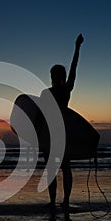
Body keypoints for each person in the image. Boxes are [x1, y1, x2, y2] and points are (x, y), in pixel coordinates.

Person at [40, 34, 84, 208]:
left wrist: (77, 48)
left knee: (57, 169)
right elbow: (40, 117)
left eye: (54, 74)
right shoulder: (60, 91)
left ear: (56, 75)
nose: (53, 76)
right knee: (63, 168)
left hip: (53, 134)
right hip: (60, 133)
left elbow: (74, 69)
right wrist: (77, 47)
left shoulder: (51, 92)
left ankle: (58, 202)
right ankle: (62, 201)